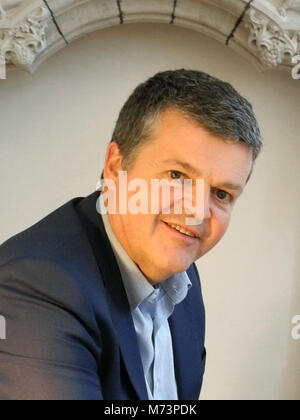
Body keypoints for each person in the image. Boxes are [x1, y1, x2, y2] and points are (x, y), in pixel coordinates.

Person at [0, 69, 262, 400]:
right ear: (115, 167)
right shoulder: (37, 285)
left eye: (222, 193)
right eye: (177, 175)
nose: (197, 212)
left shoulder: (181, 276)